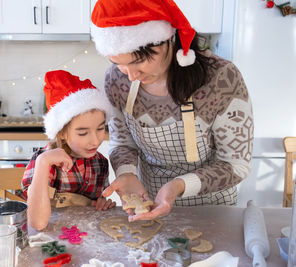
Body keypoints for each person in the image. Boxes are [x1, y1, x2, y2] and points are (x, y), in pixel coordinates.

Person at [90, 0, 254, 222]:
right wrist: (126, 174)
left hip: (213, 209)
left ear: (168, 39)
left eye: (139, 61)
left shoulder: (221, 77)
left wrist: (177, 186)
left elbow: (236, 164)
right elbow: (123, 142)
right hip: (150, 205)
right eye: (119, 63)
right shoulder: (116, 79)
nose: (130, 75)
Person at [20, 70, 116, 230]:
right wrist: (43, 163)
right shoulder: (44, 162)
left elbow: (90, 211)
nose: (95, 140)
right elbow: (37, 223)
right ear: (62, 133)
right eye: (83, 132)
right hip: (48, 240)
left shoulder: (100, 163)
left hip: (83, 237)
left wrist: (99, 205)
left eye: (100, 129)